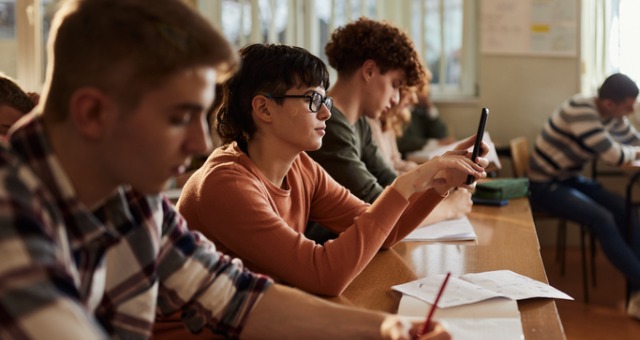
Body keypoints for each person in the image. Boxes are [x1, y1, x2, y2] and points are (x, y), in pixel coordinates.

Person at [0, 1, 450, 339]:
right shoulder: (12, 218)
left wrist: (388, 327)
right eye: (178, 117)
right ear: (93, 113)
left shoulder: (131, 199)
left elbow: (235, 296)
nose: (200, 143)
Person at [177, 43, 487, 298]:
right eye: (313, 99)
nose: (326, 111)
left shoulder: (300, 167)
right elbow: (323, 275)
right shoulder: (225, 184)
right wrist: (408, 183)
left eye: (324, 98)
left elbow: (384, 232)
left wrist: (438, 182)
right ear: (264, 108)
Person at [306, 18, 473, 241]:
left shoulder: (360, 122)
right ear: (369, 71)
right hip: (327, 247)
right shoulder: (329, 125)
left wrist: (443, 176)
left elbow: (391, 183)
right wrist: (449, 208)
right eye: (395, 84)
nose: (396, 99)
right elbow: (379, 206)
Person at [528, 73, 640, 319]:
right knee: (604, 219)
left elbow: (632, 141)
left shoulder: (611, 114)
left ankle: (636, 285)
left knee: (625, 208)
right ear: (610, 104)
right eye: (629, 106)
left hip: (569, 178)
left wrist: (632, 150)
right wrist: (633, 152)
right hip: (545, 185)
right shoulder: (581, 110)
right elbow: (614, 156)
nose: (632, 111)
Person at [396, 80, 455, 158]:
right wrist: (435, 143)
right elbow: (402, 142)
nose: (426, 94)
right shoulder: (400, 111)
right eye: (423, 90)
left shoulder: (421, 112)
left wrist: (430, 108)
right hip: (407, 159)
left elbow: (441, 135)